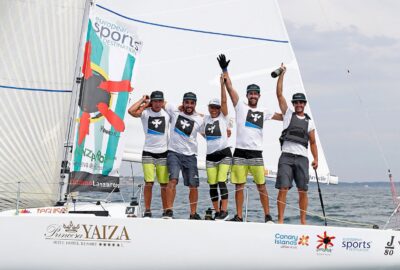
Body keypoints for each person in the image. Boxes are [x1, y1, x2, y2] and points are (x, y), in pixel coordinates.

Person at [217, 54, 282, 223]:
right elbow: (229, 87)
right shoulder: (240, 106)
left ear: (259, 96)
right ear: (247, 95)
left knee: (261, 185)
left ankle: (268, 216)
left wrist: (297, 115)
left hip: (256, 154)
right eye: (251, 93)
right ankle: (239, 216)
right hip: (240, 152)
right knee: (239, 186)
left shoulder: (264, 111)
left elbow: (283, 117)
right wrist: (225, 70)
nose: (253, 95)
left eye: (256, 93)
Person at [275, 63, 318, 225]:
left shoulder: (309, 122)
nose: (299, 104)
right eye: (296, 102)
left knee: (303, 190)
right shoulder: (287, 114)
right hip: (286, 157)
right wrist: (281, 75)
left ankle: (303, 221)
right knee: (283, 188)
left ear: (304, 104)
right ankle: (280, 220)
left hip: (302, 158)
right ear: (293, 104)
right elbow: (279, 94)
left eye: (301, 102)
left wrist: (316, 159)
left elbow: (313, 142)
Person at [128, 91, 170, 217]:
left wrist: (160, 103)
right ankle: (147, 209)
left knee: (164, 184)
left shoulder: (167, 113)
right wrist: (143, 100)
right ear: (151, 102)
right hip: (148, 153)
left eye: (159, 101)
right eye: (155, 101)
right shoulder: (145, 113)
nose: (157, 104)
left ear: (163, 101)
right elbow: (131, 111)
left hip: (163, 153)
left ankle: (166, 209)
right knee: (149, 183)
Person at [164, 92, 204, 219]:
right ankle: (169, 211)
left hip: (190, 155)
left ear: (195, 104)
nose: (189, 105)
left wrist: (227, 131)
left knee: (194, 185)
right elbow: (159, 102)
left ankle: (193, 213)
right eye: (187, 102)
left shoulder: (200, 119)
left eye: (192, 103)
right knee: (173, 180)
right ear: (183, 102)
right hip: (174, 153)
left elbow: (208, 133)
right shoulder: (174, 110)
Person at [201, 74, 232, 220]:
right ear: (208, 108)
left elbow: (225, 101)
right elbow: (202, 132)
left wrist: (222, 85)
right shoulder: (205, 119)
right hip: (210, 157)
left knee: (221, 181)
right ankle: (217, 211)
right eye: (211, 107)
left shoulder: (223, 117)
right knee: (212, 185)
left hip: (224, 154)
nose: (214, 109)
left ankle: (224, 210)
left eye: (216, 107)